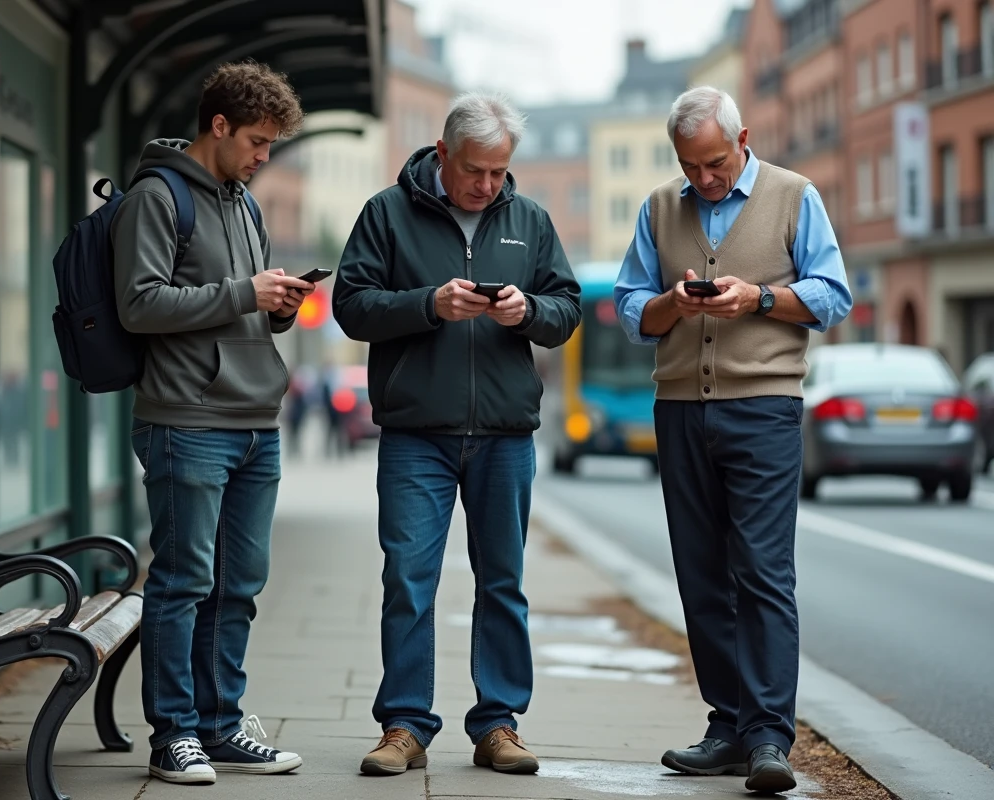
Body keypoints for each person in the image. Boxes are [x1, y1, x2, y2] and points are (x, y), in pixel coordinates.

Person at [332, 92, 582, 778]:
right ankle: (404, 726)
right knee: (409, 579)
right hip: (417, 434)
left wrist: (529, 310)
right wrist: (428, 305)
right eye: (476, 170)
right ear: (442, 155)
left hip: (504, 434)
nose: (488, 184)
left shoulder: (528, 219)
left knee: (503, 580)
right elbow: (350, 306)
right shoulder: (386, 214)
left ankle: (499, 725)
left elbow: (566, 311)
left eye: (500, 172)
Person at [613, 86, 852, 794]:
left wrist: (762, 299)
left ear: (742, 139)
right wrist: (669, 304)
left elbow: (834, 296)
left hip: (765, 408)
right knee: (699, 573)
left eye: (714, 163)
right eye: (690, 166)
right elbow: (630, 309)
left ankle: (770, 736)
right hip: (680, 409)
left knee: (763, 572)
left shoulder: (794, 194)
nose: (704, 179)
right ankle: (726, 725)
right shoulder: (660, 207)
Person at [112, 60, 314, 785]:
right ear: (218, 126)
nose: (265, 158)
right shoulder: (158, 197)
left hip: (256, 419)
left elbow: (237, 307)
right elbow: (140, 305)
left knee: (240, 584)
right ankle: (173, 735)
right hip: (186, 419)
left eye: (272, 147)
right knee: (183, 581)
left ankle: (221, 726)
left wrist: (277, 305)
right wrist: (241, 293)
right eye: (257, 142)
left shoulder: (244, 203)